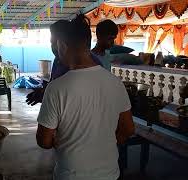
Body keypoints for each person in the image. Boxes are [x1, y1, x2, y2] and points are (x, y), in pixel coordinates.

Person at [36, 14, 135, 180]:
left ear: (62, 45)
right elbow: (128, 129)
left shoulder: (56, 88)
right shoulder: (115, 83)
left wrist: (57, 141)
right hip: (109, 174)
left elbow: (44, 141)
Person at [26, 20, 102, 106]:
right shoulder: (57, 61)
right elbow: (53, 84)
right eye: (51, 43)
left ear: (64, 43)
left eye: (56, 43)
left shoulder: (92, 64)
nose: (54, 47)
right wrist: (43, 93)